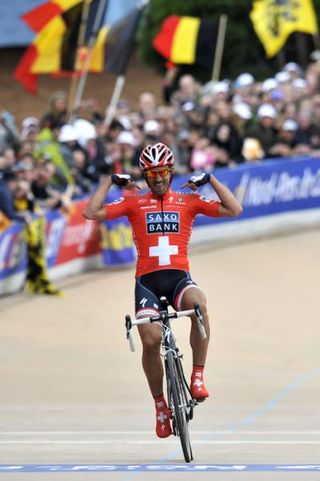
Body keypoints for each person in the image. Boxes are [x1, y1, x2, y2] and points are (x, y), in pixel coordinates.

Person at [83, 142, 242, 438]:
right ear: (144, 175)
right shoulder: (133, 202)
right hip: (147, 284)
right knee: (151, 341)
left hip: (179, 279)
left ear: (171, 172)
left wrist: (210, 179)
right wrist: (109, 181)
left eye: (163, 172)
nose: (158, 178)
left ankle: (197, 376)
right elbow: (92, 212)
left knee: (199, 304)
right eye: (152, 173)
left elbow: (234, 209)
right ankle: (160, 406)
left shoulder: (188, 200)